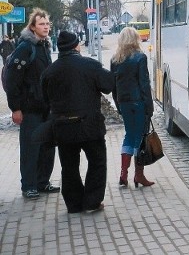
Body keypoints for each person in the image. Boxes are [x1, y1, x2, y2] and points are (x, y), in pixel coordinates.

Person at [41, 31, 115, 213]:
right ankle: (92, 202)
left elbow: (45, 99)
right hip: (89, 125)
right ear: (76, 46)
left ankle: (74, 204)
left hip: (62, 127)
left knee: (69, 166)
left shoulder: (49, 71)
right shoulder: (90, 65)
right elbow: (109, 85)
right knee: (97, 162)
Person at [4, 8, 58, 199]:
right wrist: (16, 108)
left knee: (47, 147)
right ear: (33, 27)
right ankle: (28, 185)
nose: (46, 27)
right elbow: (12, 80)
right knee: (31, 148)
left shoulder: (45, 46)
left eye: (47, 24)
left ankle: (43, 182)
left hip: (46, 107)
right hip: (30, 108)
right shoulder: (25, 48)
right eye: (41, 24)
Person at [110, 26, 155, 188]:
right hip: (139, 103)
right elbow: (144, 84)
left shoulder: (115, 59)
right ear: (135, 39)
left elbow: (114, 86)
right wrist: (149, 107)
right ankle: (139, 175)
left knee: (129, 135)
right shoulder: (140, 58)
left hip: (124, 103)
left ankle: (123, 174)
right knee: (140, 137)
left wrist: (118, 105)